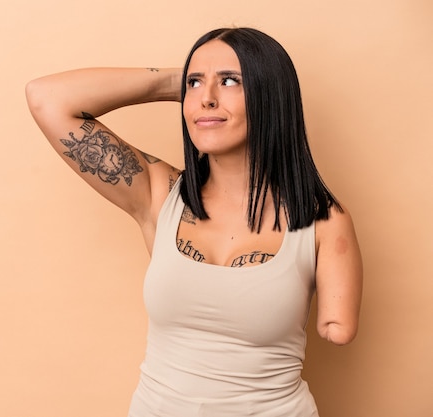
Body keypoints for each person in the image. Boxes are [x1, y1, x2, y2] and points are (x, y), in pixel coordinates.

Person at [25, 27, 362, 417]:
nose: (207, 98)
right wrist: (178, 80)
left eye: (231, 81)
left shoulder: (321, 219)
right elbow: (46, 98)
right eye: (195, 83)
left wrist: (201, 80)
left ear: (270, 95)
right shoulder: (159, 194)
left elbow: (339, 328)